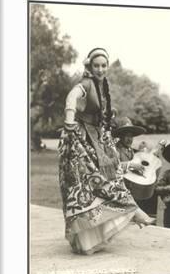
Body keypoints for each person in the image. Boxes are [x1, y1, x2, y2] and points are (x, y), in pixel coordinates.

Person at [58, 47, 154, 255]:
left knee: (108, 176)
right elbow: (72, 96)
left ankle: (124, 215)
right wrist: (69, 118)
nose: (100, 69)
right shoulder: (86, 83)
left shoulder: (103, 86)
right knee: (88, 183)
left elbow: (98, 111)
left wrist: (108, 116)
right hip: (80, 138)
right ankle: (131, 211)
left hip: (97, 136)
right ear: (90, 66)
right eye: (96, 66)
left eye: (103, 66)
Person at [112, 117, 159, 217]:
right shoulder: (115, 150)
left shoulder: (131, 151)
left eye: (131, 136)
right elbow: (112, 166)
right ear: (120, 136)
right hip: (120, 190)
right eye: (126, 136)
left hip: (133, 189)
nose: (129, 139)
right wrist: (130, 165)